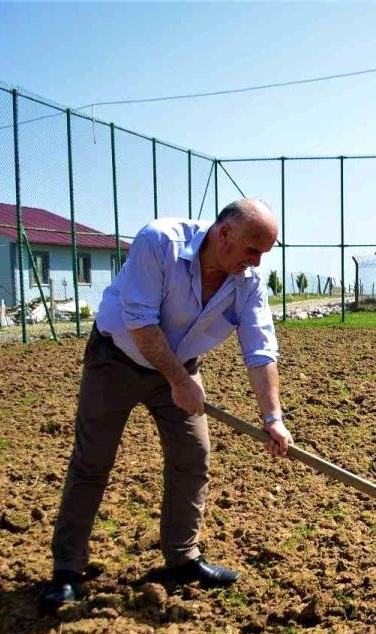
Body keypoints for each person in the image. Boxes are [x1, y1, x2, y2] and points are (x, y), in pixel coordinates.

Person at [41, 199, 293, 607]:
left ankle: (182, 558)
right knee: (92, 461)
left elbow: (260, 349)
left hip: (179, 367)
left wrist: (273, 417)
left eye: (264, 254)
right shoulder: (160, 242)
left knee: (192, 457)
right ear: (224, 233)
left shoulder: (246, 282)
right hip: (116, 359)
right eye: (252, 250)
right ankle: (67, 570)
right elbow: (140, 320)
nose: (256, 263)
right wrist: (179, 380)